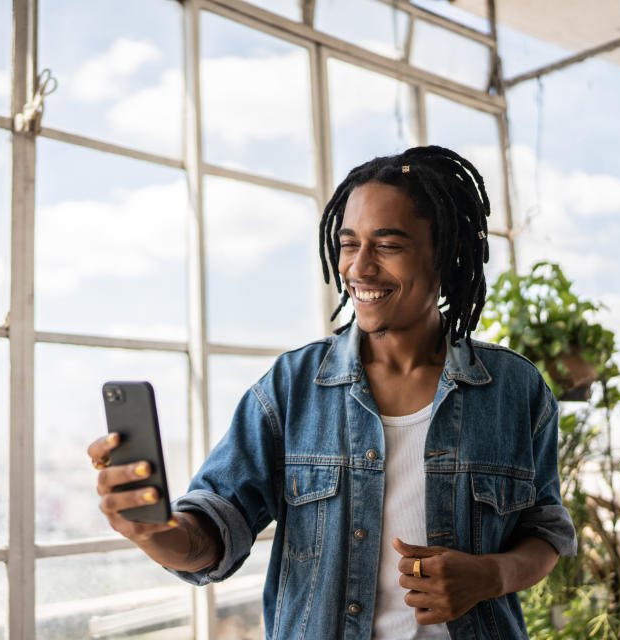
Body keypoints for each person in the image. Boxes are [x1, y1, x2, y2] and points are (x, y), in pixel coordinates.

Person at [88, 146, 576, 639]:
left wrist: (491, 576)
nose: (360, 268)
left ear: (444, 253)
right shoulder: (290, 388)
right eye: (349, 244)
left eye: (387, 245)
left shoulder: (515, 390)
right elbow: (217, 527)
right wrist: (155, 532)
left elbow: (545, 530)